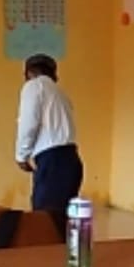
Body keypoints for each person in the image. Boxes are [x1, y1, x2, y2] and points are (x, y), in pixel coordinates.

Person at [15, 53, 83, 218]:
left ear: (29, 73)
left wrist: (21, 156)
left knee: (44, 220)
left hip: (53, 162)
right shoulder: (60, 93)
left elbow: (29, 123)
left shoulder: (34, 86)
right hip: (71, 159)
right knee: (61, 220)